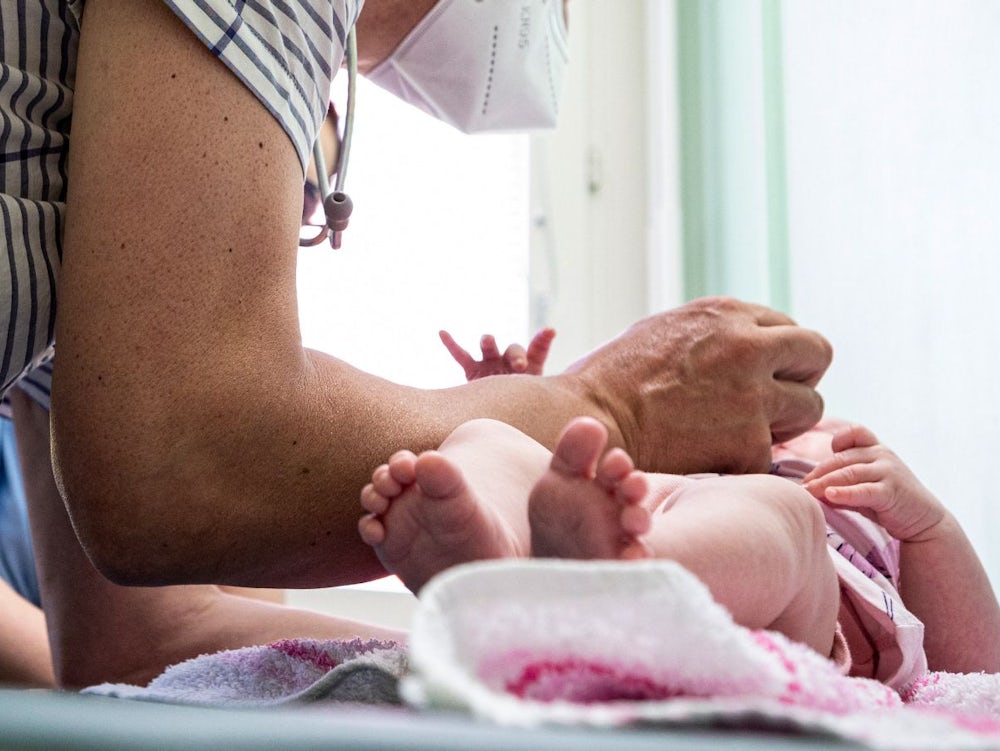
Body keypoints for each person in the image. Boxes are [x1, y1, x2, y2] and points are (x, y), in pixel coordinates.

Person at [3, 0, 832, 686]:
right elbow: (175, 459)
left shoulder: (97, 178)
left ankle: (536, 585)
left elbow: (136, 637)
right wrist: (610, 407)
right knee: (784, 518)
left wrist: (510, 658)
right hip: (730, 566)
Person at [359, 415, 1000, 685]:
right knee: (489, 434)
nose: (795, 437)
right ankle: (497, 554)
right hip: (665, 514)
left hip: (802, 616)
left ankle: (622, 575)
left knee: (790, 516)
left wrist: (929, 527)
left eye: (822, 434)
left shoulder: (833, 515)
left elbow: (979, 672)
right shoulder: (702, 483)